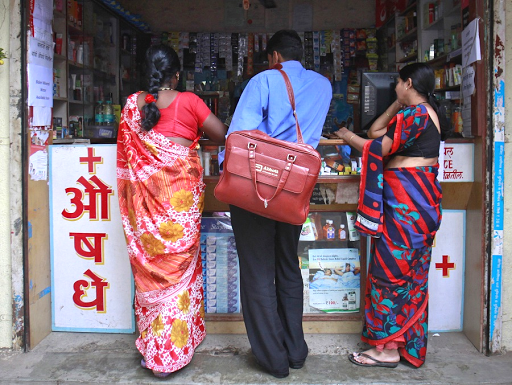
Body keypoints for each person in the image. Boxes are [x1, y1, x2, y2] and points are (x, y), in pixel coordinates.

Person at [219, 30, 332, 378]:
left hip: (256, 190)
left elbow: (240, 137)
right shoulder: (324, 85)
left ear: (275, 58)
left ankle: (273, 359)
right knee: (287, 264)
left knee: (257, 272)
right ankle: (295, 350)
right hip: (295, 190)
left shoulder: (265, 80)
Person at [116, 44, 227, 378]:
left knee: (152, 272)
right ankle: (174, 349)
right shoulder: (190, 101)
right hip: (181, 208)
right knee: (180, 270)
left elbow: (126, 161)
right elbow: (223, 136)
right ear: (176, 74)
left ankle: (154, 346)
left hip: (146, 211)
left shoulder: (132, 105)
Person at [333, 62, 450, 368]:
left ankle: (385, 349)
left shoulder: (417, 115)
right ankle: (405, 345)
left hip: (406, 208)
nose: (395, 85)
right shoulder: (422, 113)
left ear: (409, 82)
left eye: (399, 82)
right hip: (419, 204)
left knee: (389, 274)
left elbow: (376, 146)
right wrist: (398, 102)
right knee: (410, 277)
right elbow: (376, 130)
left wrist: (346, 135)